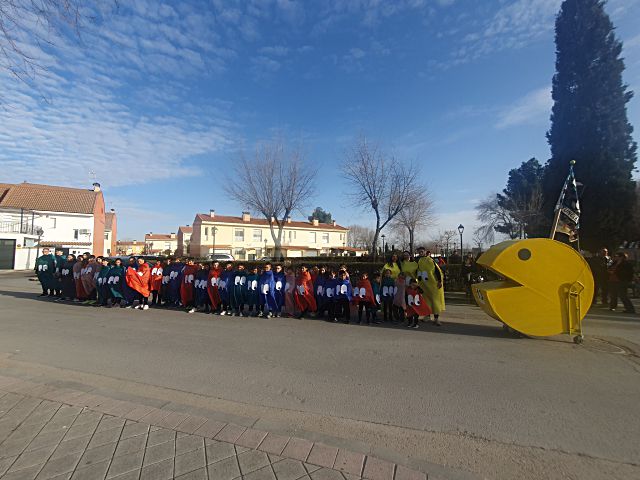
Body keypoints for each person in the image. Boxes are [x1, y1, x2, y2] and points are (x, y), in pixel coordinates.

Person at [417, 250, 445, 326]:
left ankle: (436, 319)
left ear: (425, 252)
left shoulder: (430, 260)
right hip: (425, 285)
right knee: (427, 301)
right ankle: (427, 316)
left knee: (435, 301)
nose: (420, 253)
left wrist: (439, 281)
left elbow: (437, 270)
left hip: (433, 285)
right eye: (419, 252)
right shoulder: (419, 260)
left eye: (422, 251)